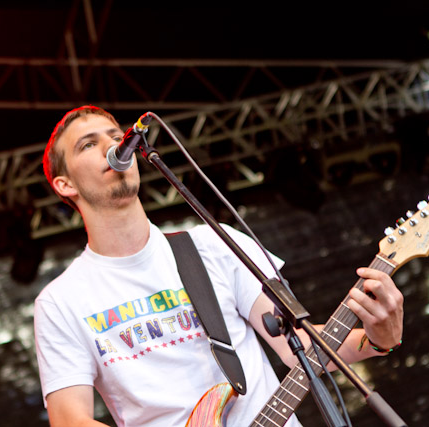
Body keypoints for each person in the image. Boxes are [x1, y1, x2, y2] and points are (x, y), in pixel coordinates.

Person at [34, 105, 404, 427]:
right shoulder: (62, 302)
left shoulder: (212, 245)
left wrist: (377, 340)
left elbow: (296, 347)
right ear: (65, 185)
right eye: (88, 144)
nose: (113, 146)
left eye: (116, 136)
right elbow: (69, 420)